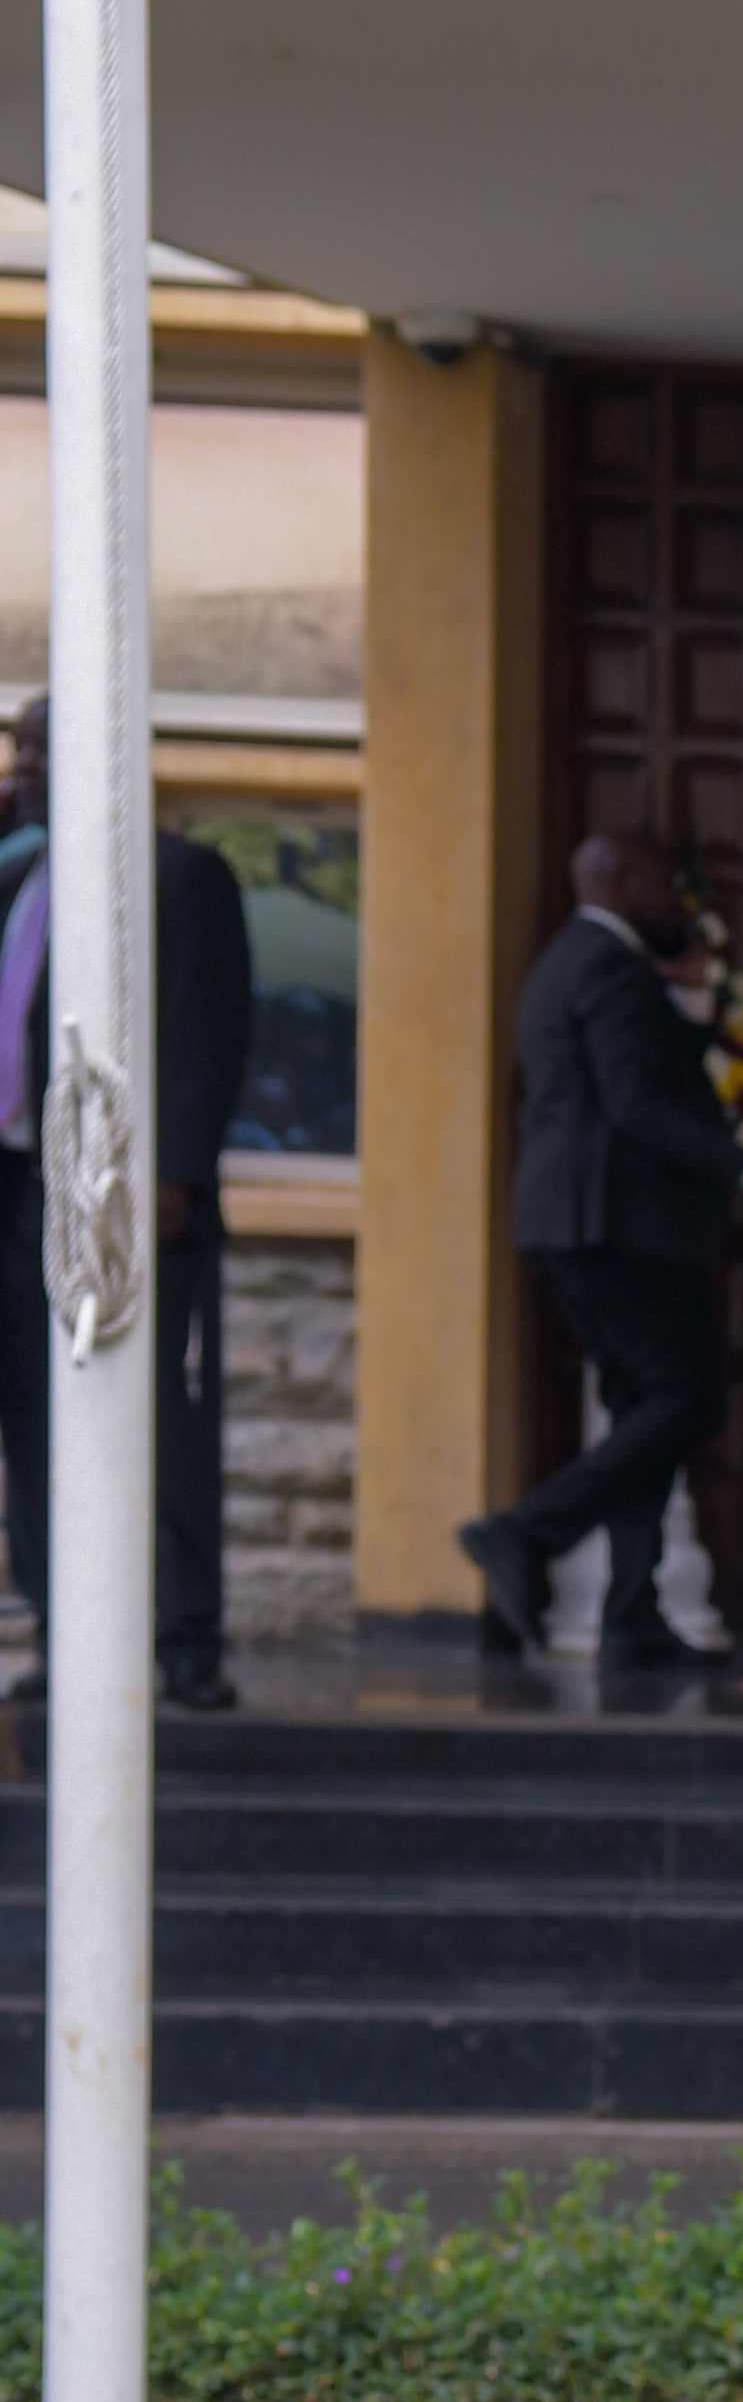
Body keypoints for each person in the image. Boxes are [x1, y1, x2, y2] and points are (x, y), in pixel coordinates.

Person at [0, 695, 261, 1709]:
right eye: (19, 748)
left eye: (42, 748)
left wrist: (177, 1174)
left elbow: (205, 1029)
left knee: (154, 1416)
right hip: (16, 1190)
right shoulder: (21, 874)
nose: (24, 765)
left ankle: (184, 1638)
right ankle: (64, 1632)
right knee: (33, 1417)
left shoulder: (180, 875)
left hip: (126, 1197)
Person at [460, 832, 743, 1669]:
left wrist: (687, 1004)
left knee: (642, 1408)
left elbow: (636, 1075)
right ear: (618, 879)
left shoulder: (574, 961)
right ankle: (524, 1531)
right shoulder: (611, 967)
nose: (677, 901)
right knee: (688, 1400)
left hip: (579, 1225)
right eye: (664, 884)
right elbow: (637, 1104)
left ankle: (632, 1612)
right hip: (619, 1227)